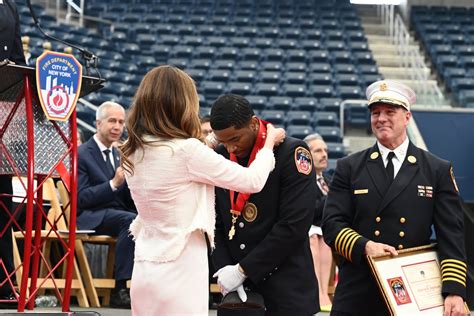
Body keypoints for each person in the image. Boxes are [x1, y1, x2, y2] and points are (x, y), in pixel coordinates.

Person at [120, 65, 285, 316]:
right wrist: (269, 144)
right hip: (181, 267)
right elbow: (252, 180)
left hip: (145, 265)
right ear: (182, 104)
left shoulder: (132, 150)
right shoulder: (187, 152)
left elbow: (180, 159)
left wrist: (213, 140)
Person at [322, 80, 467, 316]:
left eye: (390, 112)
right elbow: (331, 225)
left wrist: (454, 290)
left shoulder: (436, 169)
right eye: (375, 113)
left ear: (407, 117)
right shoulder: (349, 167)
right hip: (359, 288)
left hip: (412, 291)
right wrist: (366, 246)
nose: (381, 119)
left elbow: (451, 235)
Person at [210, 94, 319, 316]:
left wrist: (244, 270)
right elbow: (214, 221)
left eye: (235, 139)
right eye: (224, 141)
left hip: (285, 289)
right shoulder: (219, 155)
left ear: (252, 124)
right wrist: (224, 269)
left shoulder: (292, 153)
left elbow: (293, 225)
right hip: (237, 293)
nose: (230, 148)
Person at [77, 101, 136, 308]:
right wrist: (113, 184)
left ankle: (145, 286)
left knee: (148, 218)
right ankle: (120, 288)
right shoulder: (82, 153)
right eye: (112, 121)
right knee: (130, 221)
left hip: (117, 214)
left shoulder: (119, 153)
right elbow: (81, 198)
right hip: (90, 215)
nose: (117, 127)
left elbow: (126, 198)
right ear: (98, 123)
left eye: (121, 122)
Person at [0, 0, 25, 308]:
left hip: (4, 117)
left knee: (3, 207)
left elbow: (17, 55)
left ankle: (4, 285)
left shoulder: (12, 6)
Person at [304, 133, 334, 312]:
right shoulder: (303, 180)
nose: (324, 154)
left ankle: (324, 292)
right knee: (314, 237)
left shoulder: (329, 180)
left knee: (325, 238)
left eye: (325, 150)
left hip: (325, 227)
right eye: (318, 151)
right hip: (306, 227)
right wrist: (331, 196)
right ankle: (318, 293)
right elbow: (311, 211)